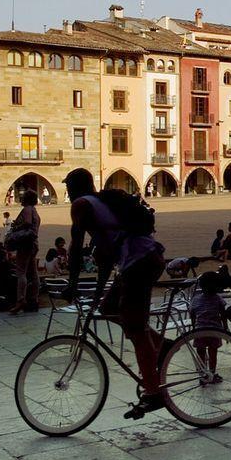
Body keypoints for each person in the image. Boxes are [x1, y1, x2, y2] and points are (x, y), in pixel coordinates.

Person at [63, 168, 168, 418]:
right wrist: (100, 294)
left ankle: (154, 392)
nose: (66, 192)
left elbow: (76, 247)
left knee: (136, 328)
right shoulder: (100, 206)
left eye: (68, 187)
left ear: (75, 188)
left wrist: (72, 283)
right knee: (109, 308)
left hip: (140, 261)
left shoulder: (81, 206)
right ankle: (162, 347)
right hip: (143, 259)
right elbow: (106, 259)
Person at [5, 189, 41, 315]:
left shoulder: (27, 209)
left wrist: (16, 228)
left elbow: (27, 223)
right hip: (33, 243)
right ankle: (34, 299)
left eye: (23, 196)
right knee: (33, 272)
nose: (21, 198)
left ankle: (21, 300)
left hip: (25, 244)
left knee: (21, 272)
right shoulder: (35, 211)